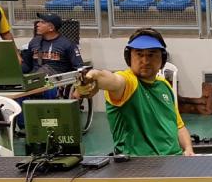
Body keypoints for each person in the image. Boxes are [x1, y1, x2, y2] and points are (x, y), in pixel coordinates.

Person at [76, 28, 194, 156]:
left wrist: (188, 149)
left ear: (162, 58)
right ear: (129, 57)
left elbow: (178, 126)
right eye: (139, 54)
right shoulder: (129, 82)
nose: (145, 61)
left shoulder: (164, 85)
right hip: (138, 166)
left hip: (174, 162)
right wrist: (92, 78)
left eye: (151, 54)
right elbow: (111, 79)